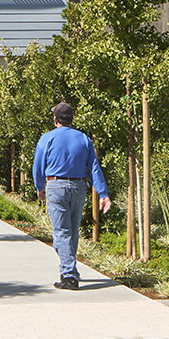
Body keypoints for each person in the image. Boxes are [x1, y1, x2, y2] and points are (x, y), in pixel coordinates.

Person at [31, 101, 110, 291]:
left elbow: (38, 165)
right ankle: (67, 267)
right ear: (71, 119)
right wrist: (103, 193)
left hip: (56, 186)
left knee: (61, 232)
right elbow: (94, 167)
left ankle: (69, 275)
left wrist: (39, 187)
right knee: (71, 231)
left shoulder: (47, 138)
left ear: (55, 119)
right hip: (79, 186)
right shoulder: (83, 138)